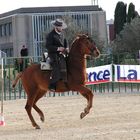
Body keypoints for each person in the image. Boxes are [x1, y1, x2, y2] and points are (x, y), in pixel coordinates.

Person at [45, 18, 69, 91]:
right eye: (60, 27)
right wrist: (58, 48)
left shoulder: (62, 34)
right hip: (53, 54)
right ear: (56, 27)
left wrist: (67, 48)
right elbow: (48, 46)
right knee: (57, 66)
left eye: (62, 27)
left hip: (62, 54)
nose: (61, 28)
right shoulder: (50, 35)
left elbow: (66, 43)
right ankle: (52, 85)